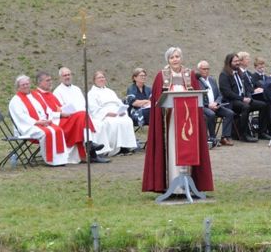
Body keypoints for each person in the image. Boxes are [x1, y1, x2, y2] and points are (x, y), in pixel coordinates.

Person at [143, 47, 213, 194]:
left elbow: (196, 96)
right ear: (168, 60)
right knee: (172, 148)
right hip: (169, 120)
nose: (175, 60)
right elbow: (158, 100)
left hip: (189, 120)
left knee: (189, 148)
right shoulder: (161, 76)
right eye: (172, 57)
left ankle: (189, 183)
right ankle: (172, 183)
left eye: (177, 56)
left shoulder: (190, 74)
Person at [32, 71, 107, 163]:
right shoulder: (36, 96)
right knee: (82, 115)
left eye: (51, 80)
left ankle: (90, 146)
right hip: (52, 123)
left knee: (83, 115)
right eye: (47, 80)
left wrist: (64, 111)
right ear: (40, 83)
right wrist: (60, 114)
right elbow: (43, 114)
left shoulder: (50, 94)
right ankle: (91, 150)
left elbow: (58, 107)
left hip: (61, 118)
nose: (50, 82)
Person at [9, 75, 72, 166]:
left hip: (41, 123)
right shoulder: (16, 100)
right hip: (26, 127)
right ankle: (50, 160)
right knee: (46, 133)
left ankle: (60, 160)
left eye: (27, 84)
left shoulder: (35, 95)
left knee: (58, 130)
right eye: (23, 85)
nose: (26, 86)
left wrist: (47, 119)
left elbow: (46, 110)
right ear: (18, 87)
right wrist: (38, 122)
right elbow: (21, 117)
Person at [52, 67, 114, 157]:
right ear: (60, 78)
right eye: (65, 75)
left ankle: (101, 152)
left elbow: (84, 105)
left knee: (99, 124)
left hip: (83, 116)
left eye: (69, 75)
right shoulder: (57, 92)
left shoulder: (77, 89)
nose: (67, 77)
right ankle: (91, 149)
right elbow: (61, 110)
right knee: (84, 118)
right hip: (70, 119)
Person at [218, 53, 269, 142]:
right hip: (231, 101)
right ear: (229, 62)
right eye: (235, 61)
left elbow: (246, 88)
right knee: (246, 107)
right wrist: (242, 99)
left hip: (242, 99)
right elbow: (227, 93)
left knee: (264, 105)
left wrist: (248, 97)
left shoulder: (239, 73)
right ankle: (243, 134)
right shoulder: (224, 75)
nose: (237, 63)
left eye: (238, 61)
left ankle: (262, 132)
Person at [87, 70, 139, 155]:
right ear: (94, 80)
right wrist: (107, 113)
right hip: (105, 114)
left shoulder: (110, 91)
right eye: (99, 78)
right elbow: (93, 108)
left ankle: (125, 147)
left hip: (117, 112)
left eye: (103, 77)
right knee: (112, 122)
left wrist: (122, 111)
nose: (101, 79)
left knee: (127, 120)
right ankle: (115, 148)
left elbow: (119, 103)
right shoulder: (91, 93)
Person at [197, 60, 235, 146]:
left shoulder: (212, 79)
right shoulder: (196, 82)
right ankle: (212, 138)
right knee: (211, 114)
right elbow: (197, 96)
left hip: (215, 105)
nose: (206, 71)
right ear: (199, 70)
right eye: (204, 69)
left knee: (230, 113)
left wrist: (216, 103)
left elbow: (219, 94)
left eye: (208, 69)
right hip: (204, 106)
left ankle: (225, 137)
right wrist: (208, 105)